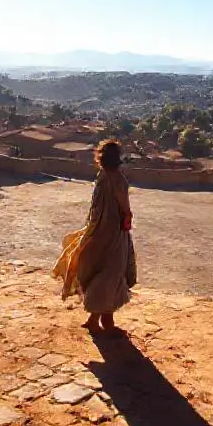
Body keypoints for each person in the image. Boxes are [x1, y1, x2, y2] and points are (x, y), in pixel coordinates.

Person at [52, 139, 137, 333]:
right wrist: (127, 217)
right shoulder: (118, 180)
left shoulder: (101, 176)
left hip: (96, 231)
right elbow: (125, 207)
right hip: (113, 233)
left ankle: (97, 319)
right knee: (112, 273)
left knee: (98, 269)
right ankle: (106, 321)